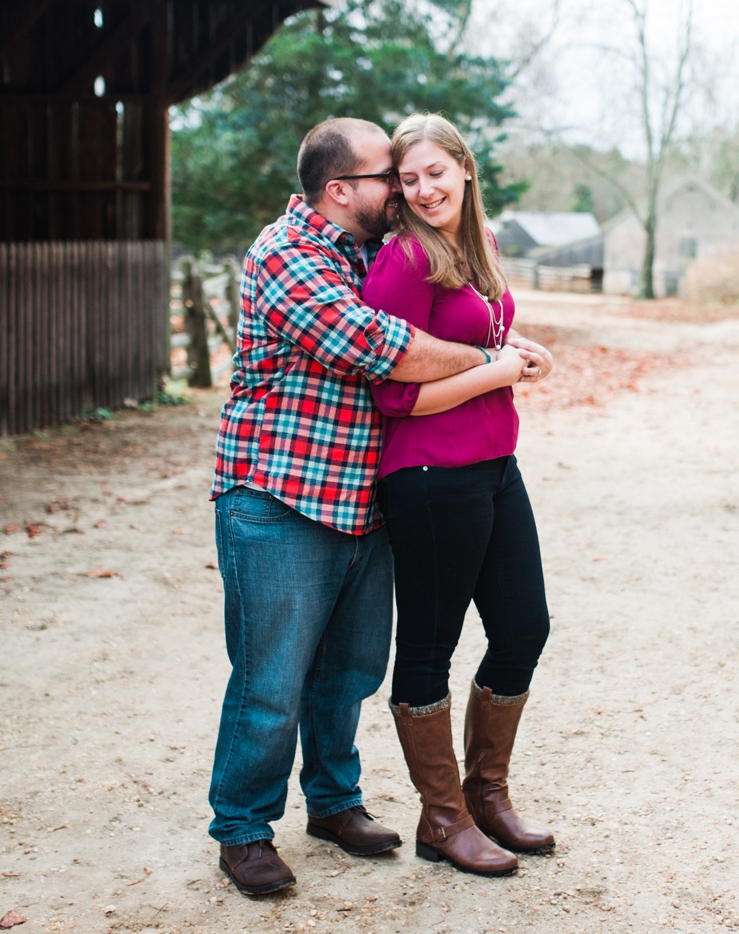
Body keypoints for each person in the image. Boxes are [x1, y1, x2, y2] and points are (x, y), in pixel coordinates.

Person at [207, 117, 540, 897]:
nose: (404, 190)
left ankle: (333, 802)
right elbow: (381, 347)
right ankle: (244, 829)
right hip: (279, 496)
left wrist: (508, 344)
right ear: (340, 190)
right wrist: (497, 363)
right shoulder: (287, 254)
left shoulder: (363, 247)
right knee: (270, 681)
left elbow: (450, 302)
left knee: (350, 672)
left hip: (359, 497)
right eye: (390, 177)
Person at [362, 113, 556, 878]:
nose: (423, 189)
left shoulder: (480, 247)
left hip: (493, 464)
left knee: (524, 628)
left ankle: (487, 795)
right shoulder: (405, 259)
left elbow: (478, 343)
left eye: (435, 173)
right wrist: (497, 371)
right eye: (408, 180)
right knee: (429, 647)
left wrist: (515, 351)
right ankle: (442, 819)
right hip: (429, 477)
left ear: (465, 170)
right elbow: (395, 397)